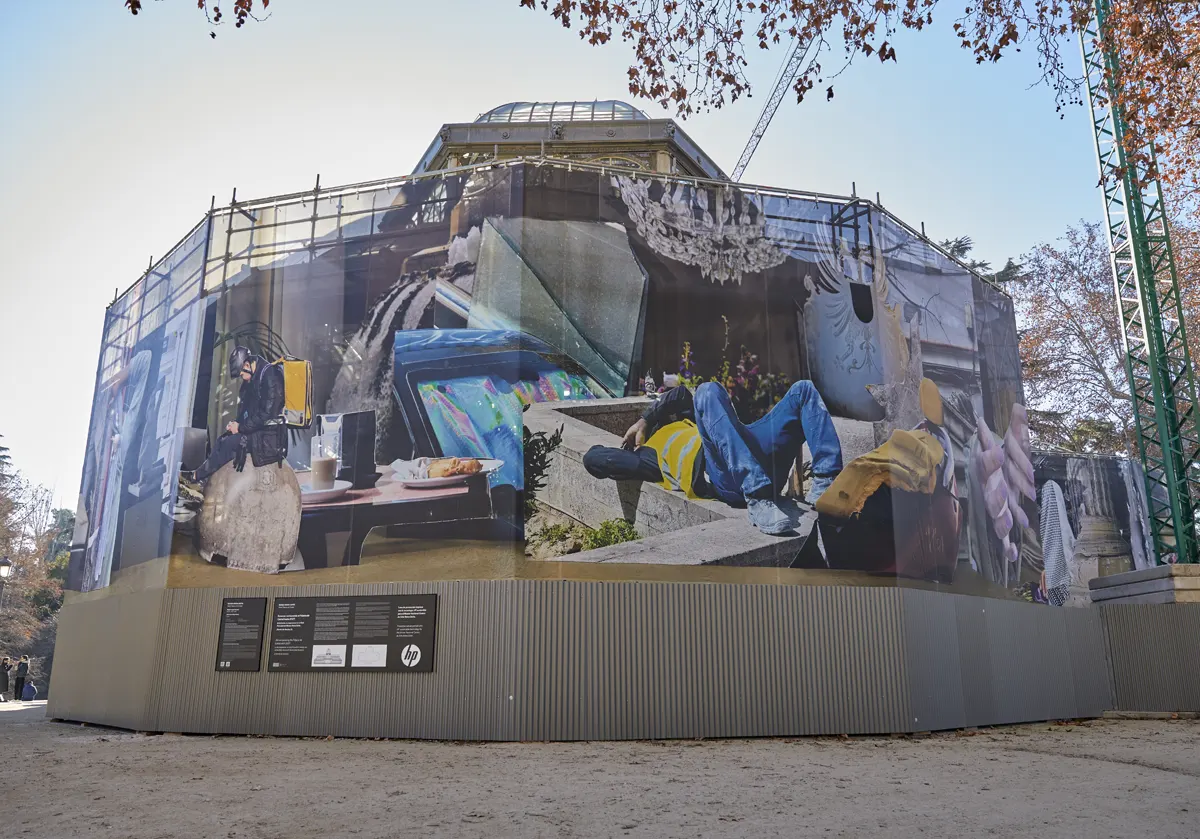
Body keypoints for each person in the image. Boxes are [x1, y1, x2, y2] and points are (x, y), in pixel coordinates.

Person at [583, 380, 843, 536]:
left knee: (803, 390)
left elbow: (681, 394)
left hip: (751, 453)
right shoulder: (650, 458)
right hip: (728, 478)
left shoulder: (691, 420)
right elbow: (593, 459)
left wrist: (644, 420)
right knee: (707, 391)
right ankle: (758, 497)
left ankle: (826, 481)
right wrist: (631, 449)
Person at [186, 346, 288, 485]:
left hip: (268, 437)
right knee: (222, 439)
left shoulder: (271, 376)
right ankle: (203, 479)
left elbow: (266, 414)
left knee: (229, 444)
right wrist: (235, 424)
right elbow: (247, 410)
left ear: (247, 365)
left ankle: (196, 477)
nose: (242, 378)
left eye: (241, 374)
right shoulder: (252, 380)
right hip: (258, 431)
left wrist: (240, 428)